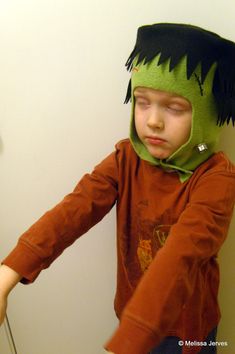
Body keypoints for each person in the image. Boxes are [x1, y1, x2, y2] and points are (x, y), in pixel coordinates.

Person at [0, 23, 235, 354]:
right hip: (131, 317)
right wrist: (7, 274)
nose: (153, 120)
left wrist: (129, 341)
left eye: (174, 107)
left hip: (187, 333)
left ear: (207, 114)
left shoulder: (216, 178)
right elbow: (75, 209)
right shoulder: (126, 159)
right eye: (142, 102)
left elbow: (183, 253)